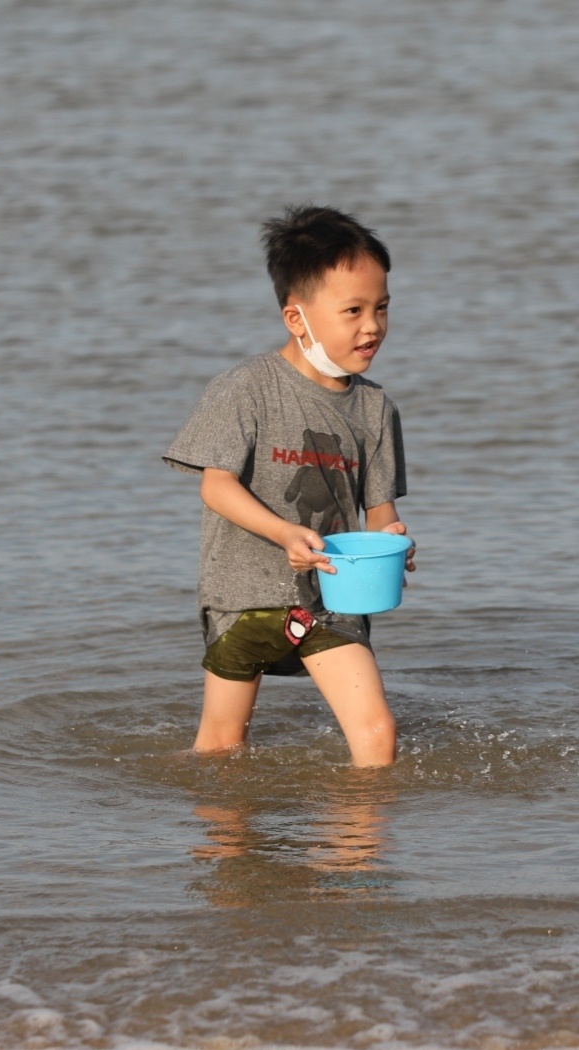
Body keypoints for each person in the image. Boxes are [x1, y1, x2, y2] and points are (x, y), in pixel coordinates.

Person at [163, 206, 415, 766]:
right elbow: (216, 487)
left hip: (330, 602)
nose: (372, 326)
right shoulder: (245, 389)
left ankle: (360, 827)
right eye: (353, 311)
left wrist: (392, 541)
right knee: (220, 749)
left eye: (382, 308)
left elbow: (379, 511)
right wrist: (284, 534)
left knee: (376, 733)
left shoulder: (375, 409)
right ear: (296, 318)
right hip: (243, 600)